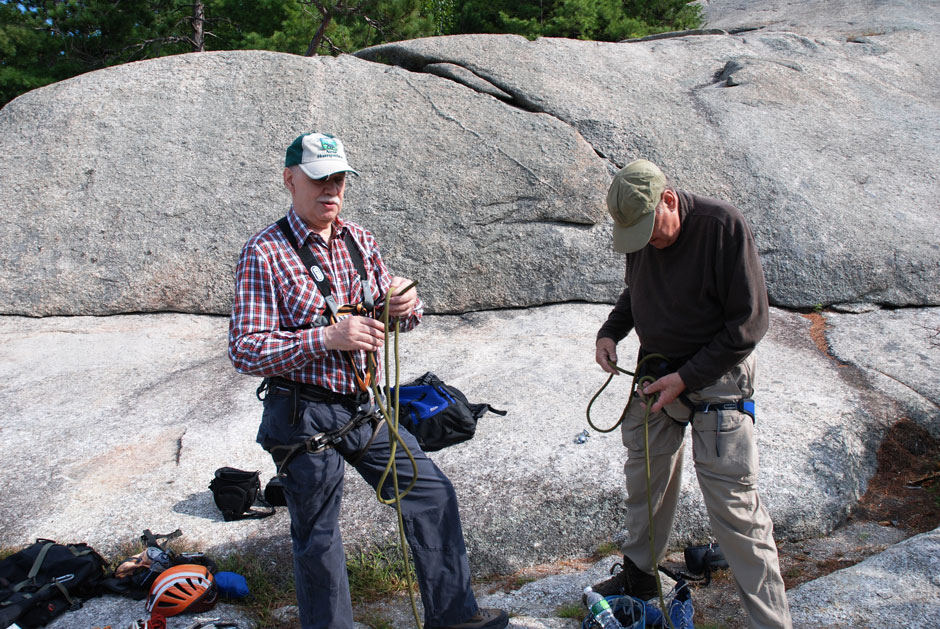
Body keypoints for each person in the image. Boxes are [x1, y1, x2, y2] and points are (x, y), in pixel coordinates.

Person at [228, 132, 508, 629]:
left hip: (364, 407)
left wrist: (405, 303)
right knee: (319, 536)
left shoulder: (359, 240)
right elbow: (244, 348)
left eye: (338, 178)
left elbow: (401, 313)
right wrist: (326, 338)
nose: (330, 189)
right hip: (302, 416)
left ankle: (455, 617)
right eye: (318, 179)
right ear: (290, 180)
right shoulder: (264, 252)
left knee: (431, 493)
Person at [591, 159, 792, 628]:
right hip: (660, 372)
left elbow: (748, 326)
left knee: (733, 505)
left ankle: (771, 622)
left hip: (719, 374)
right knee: (644, 473)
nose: (649, 242)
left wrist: (687, 378)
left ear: (669, 198)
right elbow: (634, 292)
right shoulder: (644, 232)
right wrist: (610, 331)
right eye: (637, 236)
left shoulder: (722, 226)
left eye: (652, 230)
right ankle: (641, 575)